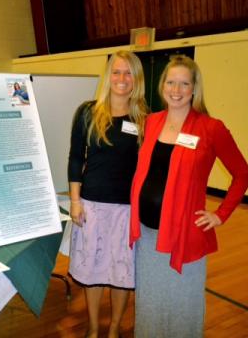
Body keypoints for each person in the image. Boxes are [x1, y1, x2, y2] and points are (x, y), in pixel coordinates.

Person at [129, 55, 248, 337]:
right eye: (171, 82)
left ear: (194, 88)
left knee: (183, 304)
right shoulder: (151, 123)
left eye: (184, 83)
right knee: (150, 303)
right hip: (148, 235)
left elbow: (243, 175)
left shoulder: (211, 128)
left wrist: (220, 214)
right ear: (162, 86)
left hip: (184, 235)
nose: (176, 89)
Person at [67, 50, 148, 338]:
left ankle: (113, 330)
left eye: (128, 73)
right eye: (117, 72)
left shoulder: (145, 119)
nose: (122, 79)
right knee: (93, 271)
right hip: (91, 205)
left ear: (136, 78)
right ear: (108, 76)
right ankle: (92, 329)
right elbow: (76, 158)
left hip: (127, 210)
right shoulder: (88, 111)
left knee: (121, 274)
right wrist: (75, 202)